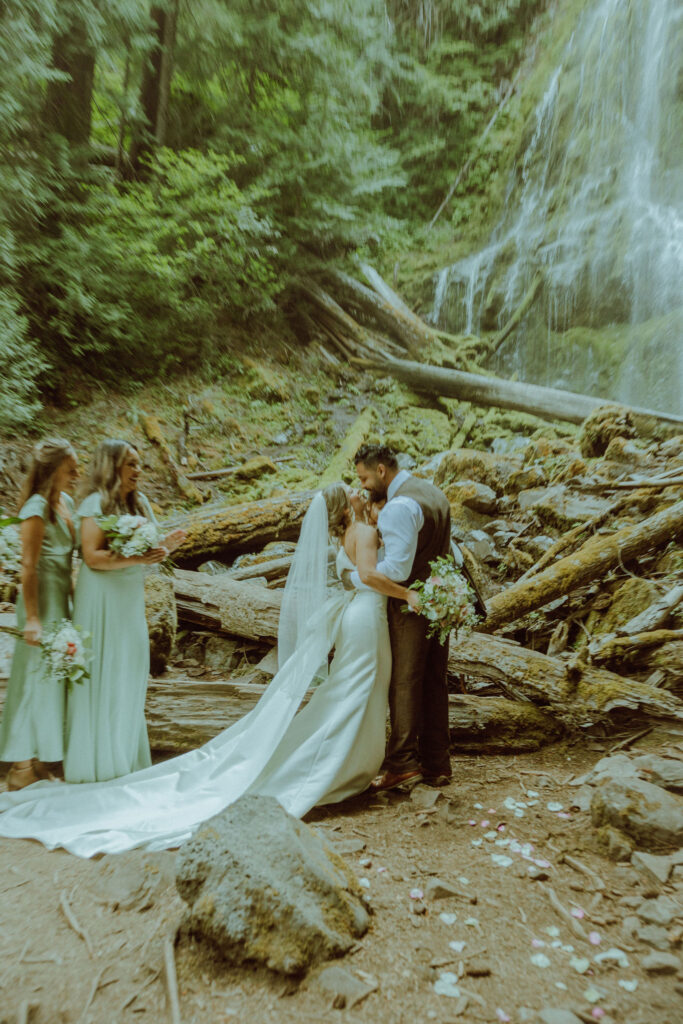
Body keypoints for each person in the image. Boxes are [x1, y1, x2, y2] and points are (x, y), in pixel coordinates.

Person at [0, 483, 411, 856]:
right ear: (346, 505)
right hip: (365, 618)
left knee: (351, 694)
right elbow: (371, 576)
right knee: (356, 694)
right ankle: (336, 769)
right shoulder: (366, 532)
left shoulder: (346, 534)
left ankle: (345, 765)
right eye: (353, 491)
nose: (360, 492)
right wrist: (409, 594)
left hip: (355, 619)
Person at [64, 440, 186, 783]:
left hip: (129, 595)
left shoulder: (140, 501)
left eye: (140, 464)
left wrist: (164, 547)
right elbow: (91, 557)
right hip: (101, 596)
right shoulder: (94, 503)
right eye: (131, 464)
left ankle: (124, 755)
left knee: (131, 666)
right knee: (103, 670)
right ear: (112, 466)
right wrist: (138, 558)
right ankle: (97, 764)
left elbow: (145, 548)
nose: (139, 470)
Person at [352, 443, 452, 792]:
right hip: (439, 601)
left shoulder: (398, 507)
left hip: (411, 605)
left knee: (405, 683)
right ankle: (437, 764)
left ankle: (404, 765)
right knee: (434, 681)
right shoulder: (433, 493)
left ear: (381, 470)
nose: (362, 485)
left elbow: (396, 569)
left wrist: (356, 574)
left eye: (364, 477)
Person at [0, 438, 79, 789]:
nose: (77, 475)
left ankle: (40, 757)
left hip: (61, 599)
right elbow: (28, 569)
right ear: (52, 471)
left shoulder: (67, 502)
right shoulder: (34, 508)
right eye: (70, 469)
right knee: (32, 679)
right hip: (38, 602)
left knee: (52, 679)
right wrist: (32, 618)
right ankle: (19, 768)